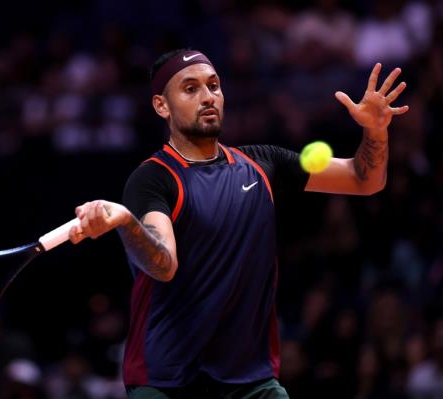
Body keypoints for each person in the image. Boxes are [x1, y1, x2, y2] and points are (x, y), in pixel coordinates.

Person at [67, 49, 409, 398]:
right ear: (161, 106)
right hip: (167, 381)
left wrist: (376, 131)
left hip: (251, 383)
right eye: (190, 89)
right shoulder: (154, 178)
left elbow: (364, 179)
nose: (207, 97)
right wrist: (127, 221)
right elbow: (163, 264)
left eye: (213, 86)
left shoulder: (262, 163)